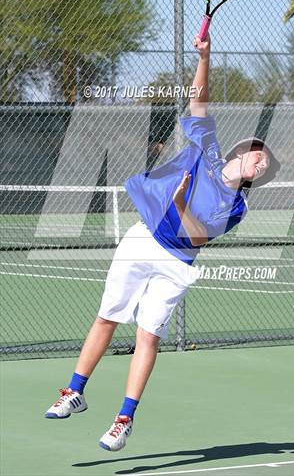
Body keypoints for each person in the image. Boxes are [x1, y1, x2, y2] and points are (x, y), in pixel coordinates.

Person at [44, 34, 280, 452]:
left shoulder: (237, 205)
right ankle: (73, 392)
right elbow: (199, 103)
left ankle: (123, 419)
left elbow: (195, 235)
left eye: (264, 167)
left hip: (176, 262)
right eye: (258, 156)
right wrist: (205, 57)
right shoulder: (207, 149)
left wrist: (179, 202)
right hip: (142, 239)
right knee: (106, 317)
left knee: (148, 336)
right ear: (241, 152)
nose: (261, 163)